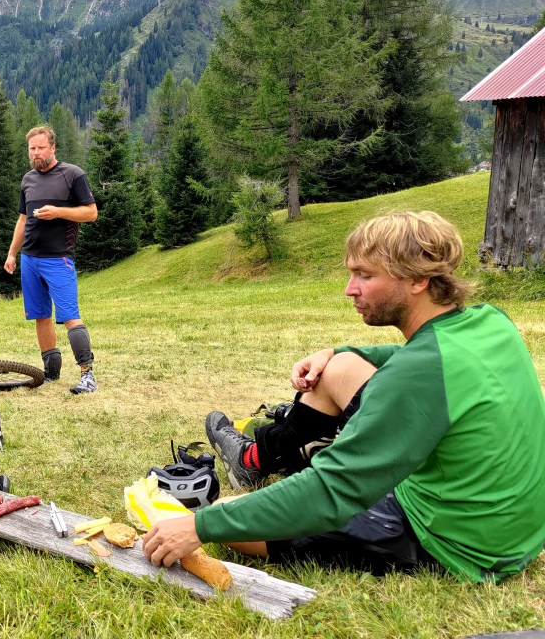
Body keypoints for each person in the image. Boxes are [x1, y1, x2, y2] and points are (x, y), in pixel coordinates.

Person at [143, 211, 545, 582]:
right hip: (514, 526)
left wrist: (199, 527)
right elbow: (413, 357)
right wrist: (337, 352)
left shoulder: (418, 373)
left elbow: (334, 491)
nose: (349, 289)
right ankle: (264, 459)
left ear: (417, 280)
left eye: (364, 276)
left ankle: (304, 460)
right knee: (340, 368)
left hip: (460, 543)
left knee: (229, 520)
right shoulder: (491, 321)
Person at [4, 125, 99, 394]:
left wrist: (58, 212)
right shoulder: (28, 179)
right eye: (32, 148)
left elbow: (91, 213)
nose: (36, 153)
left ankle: (87, 375)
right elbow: (23, 219)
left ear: (53, 148)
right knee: (41, 316)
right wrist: (12, 253)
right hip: (29, 259)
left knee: (69, 316)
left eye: (41, 148)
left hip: (59, 259)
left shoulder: (73, 174)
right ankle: (51, 373)